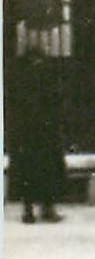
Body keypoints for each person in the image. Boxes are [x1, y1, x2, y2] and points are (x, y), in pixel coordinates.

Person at [9, 45, 66, 224]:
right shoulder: (47, 77)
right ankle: (47, 209)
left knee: (27, 172)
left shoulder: (19, 78)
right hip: (45, 133)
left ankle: (29, 211)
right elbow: (56, 102)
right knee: (48, 171)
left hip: (26, 134)